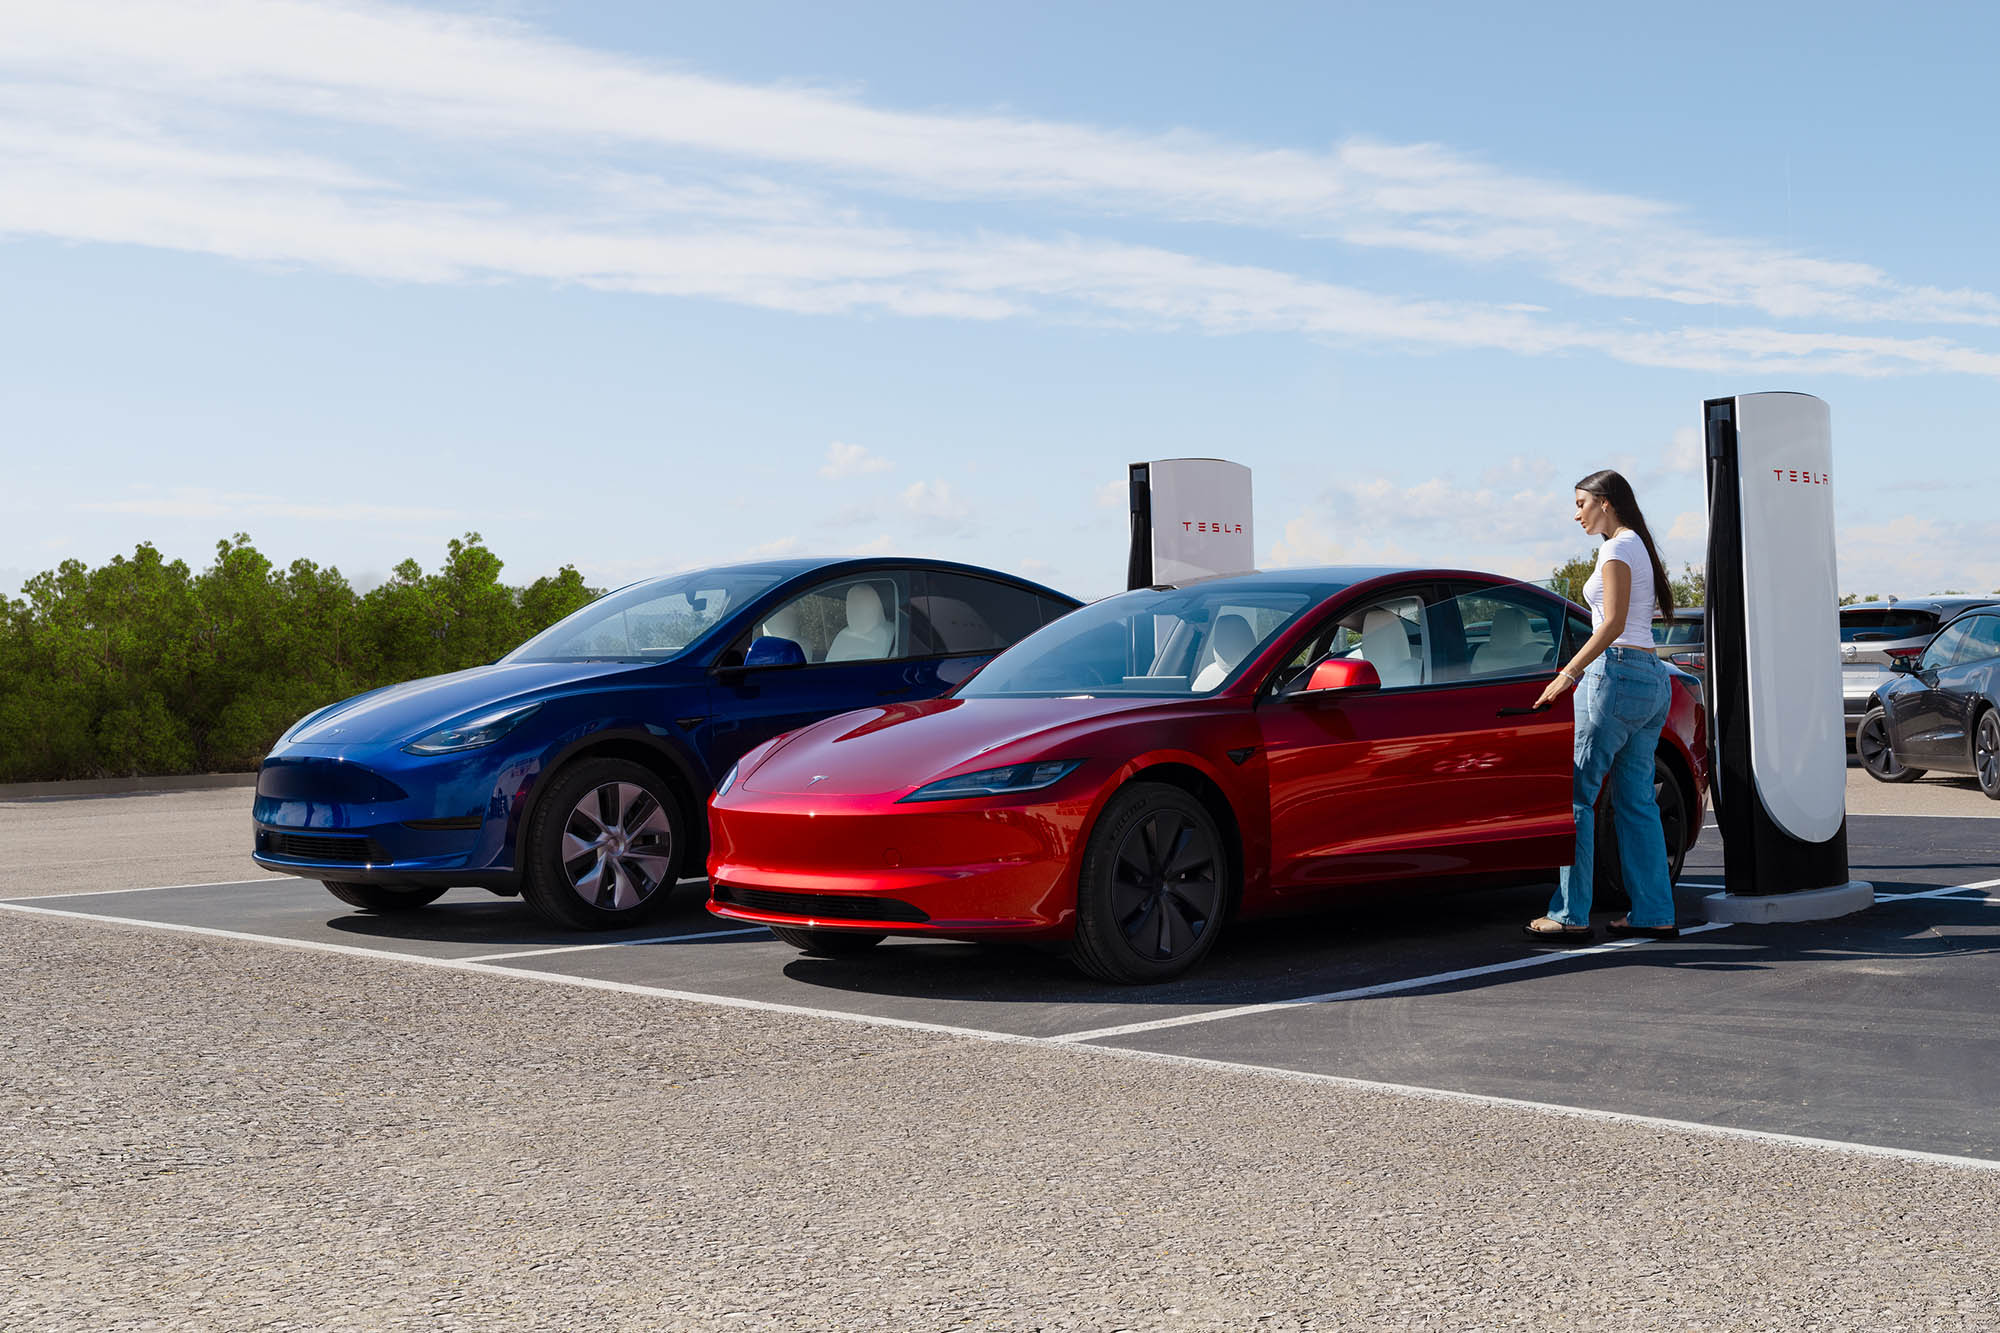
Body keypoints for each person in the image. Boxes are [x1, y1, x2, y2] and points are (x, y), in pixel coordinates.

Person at [1524, 469, 1681, 943]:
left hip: (1614, 675)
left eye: (1580, 504)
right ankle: (1655, 911)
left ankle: (1571, 912)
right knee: (1636, 801)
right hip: (1652, 678)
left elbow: (1610, 623)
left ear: (1605, 502)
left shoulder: (1615, 548)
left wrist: (1568, 674)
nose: (1576, 514)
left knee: (1578, 796)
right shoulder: (1638, 545)